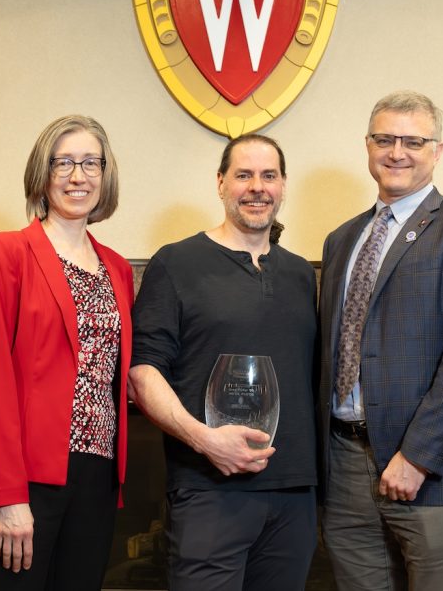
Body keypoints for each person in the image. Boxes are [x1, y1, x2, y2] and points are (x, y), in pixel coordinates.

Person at [317, 90, 443, 591]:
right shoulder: (341, 239)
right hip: (344, 464)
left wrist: (418, 455)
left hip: (432, 472)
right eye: (385, 139)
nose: (396, 152)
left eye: (413, 141)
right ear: (367, 145)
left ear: (437, 151)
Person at [128, 134, 318, 591]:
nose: (257, 187)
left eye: (269, 175)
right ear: (220, 183)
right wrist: (205, 440)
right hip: (208, 491)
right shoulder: (176, 263)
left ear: (283, 184)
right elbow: (142, 371)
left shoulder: (300, 274)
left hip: (295, 494)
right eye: (244, 175)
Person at [0, 115, 134, 590]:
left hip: (98, 479)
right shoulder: (5, 252)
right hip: (26, 478)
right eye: (63, 163)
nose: (78, 176)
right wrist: (8, 496)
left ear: (106, 174)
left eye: (90, 163)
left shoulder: (117, 270)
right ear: (41, 174)